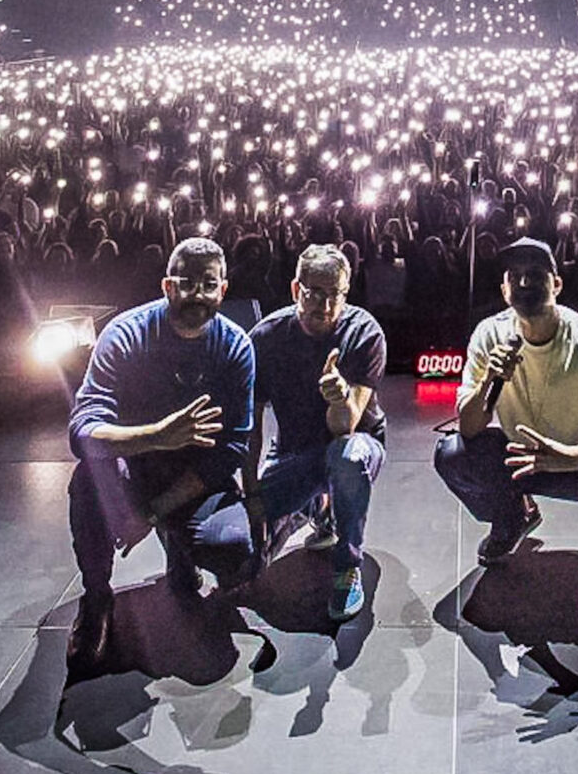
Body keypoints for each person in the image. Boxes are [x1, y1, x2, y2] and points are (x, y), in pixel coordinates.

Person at [64, 237, 256, 670]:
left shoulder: (235, 347)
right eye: (186, 283)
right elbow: (82, 432)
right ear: (168, 286)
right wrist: (157, 436)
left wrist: (152, 515)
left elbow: (231, 452)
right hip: (135, 471)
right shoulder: (126, 335)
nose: (197, 295)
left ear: (222, 290)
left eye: (208, 285)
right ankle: (97, 599)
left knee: (235, 549)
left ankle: (181, 550)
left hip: (195, 480)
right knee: (88, 479)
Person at [435, 237, 578, 594]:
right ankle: (512, 518)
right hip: (522, 461)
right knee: (453, 454)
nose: (525, 284)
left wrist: (564, 458)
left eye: (536, 275)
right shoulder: (490, 335)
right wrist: (489, 380)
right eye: (516, 276)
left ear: (556, 284)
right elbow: (470, 426)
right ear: (504, 288)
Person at [242, 243, 388, 621]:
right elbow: (250, 425)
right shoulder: (265, 338)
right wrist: (251, 491)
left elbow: (345, 427)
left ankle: (346, 566)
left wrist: (339, 397)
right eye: (315, 294)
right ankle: (315, 508)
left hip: (354, 443)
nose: (325, 306)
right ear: (296, 290)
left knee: (346, 456)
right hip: (292, 454)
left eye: (335, 295)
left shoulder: (364, 333)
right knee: (240, 561)